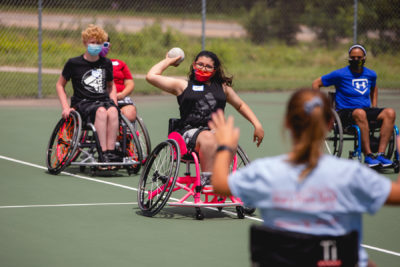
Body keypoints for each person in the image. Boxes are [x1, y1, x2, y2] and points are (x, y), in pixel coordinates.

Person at [209, 88, 400, 267]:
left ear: (287, 123)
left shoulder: (266, 172)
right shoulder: (350, 174)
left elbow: (219, 185)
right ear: (330, 124)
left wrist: (225, 146)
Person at [146, 50, 264, 185]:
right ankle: (207, 180)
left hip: (214, 132)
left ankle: (222, 179)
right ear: (194, 65)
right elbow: (151, 76)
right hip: (189, 134)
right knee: (207, 137)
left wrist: (257, 125)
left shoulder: (223, 89)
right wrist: (168, 61)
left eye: (208, 66)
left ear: (214, 70)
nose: (203, 68)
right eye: (200, 64)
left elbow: (240, 105)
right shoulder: (183, 86)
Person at [312, 44, 396, 167]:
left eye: (359, 57)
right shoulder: (340, 74)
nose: (356, 60)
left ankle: (381, 155)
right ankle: (368, 155)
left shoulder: (371, 74)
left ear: (364, 58)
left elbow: (374, 87)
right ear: (349, 58)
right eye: (353, 57)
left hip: (365, 110)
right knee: (360, 113)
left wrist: (374, 105)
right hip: (345, 112)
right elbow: (316, 83)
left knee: (390, 113)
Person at [56, 24, 119, 163]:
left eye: (98, 43)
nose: (95, 45)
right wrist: (65, 107)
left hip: (102, 100)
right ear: (85, 42)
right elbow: (60, 85)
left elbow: (111, 85)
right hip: (83, 103)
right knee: (102, 112)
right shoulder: (74, 63)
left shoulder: (106, 63)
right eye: (92, 42)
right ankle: (102, 153)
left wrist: (113, 100)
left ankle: (110, 152)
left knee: (113, 111)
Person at [99, 38, 137, 122]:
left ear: (109, 46)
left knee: (130, 113)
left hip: (121, 100)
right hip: (98, 101)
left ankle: (125, 134)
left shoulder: (120, 64)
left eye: (105, 44)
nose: (102, 46)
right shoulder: (84, 64)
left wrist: (122, 94)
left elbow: (130, 83)